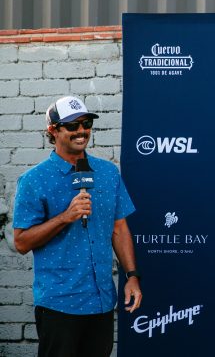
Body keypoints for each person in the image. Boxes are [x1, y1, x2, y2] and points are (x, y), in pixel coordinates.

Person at [13, 95, 142, 357]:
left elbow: (119, 228)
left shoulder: (108, 172)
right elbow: (22, 242)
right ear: (53, 131)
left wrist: (132, 277)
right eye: (72, 125)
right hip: (59, 303)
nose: (81, 131)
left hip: (102, 301)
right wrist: (64, 217)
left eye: (86, 123)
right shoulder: (33, 180)